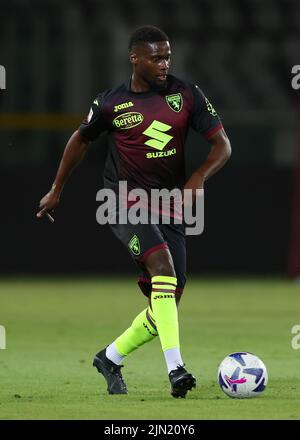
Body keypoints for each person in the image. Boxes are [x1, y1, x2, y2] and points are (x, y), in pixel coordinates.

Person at [37, 25, 231, 398]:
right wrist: (56, 189)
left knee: (167, 302)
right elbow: (80, 139)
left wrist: (199, 177)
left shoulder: (186, 94)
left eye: (168, 56)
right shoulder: (111, 103)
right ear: (135, 59)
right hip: (123, 202)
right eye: (156, 57)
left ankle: (110, 357)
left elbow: (222, 145)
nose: (164, 63)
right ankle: (176, 369)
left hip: (171, 205)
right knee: (163, 268)